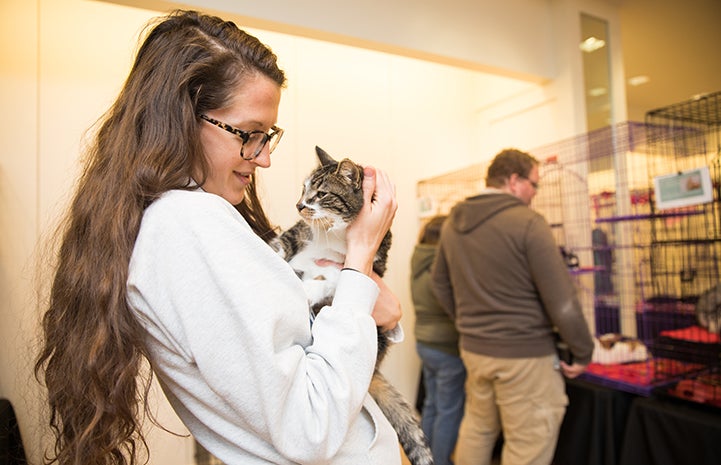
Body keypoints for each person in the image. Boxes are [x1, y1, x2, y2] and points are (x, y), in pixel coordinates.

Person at [34, 10, 401, 465]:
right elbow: (312, 425)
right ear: (183, 118)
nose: (263, 158)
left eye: (269, 137)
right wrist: (361, 256)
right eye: (250, 135)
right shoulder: (186, 226)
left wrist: (360, 294)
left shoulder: (193, 218)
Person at [430, 148, 594, 465]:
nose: (535, 194)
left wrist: (468, 322)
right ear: (515, 181)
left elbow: (439, 283)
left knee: (477, 429)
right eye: (534, 184)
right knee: (528, 444)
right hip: (525, 357)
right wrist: (583, 350)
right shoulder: (529, 223)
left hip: (475, 352)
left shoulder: (453, 222)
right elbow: (562, 300)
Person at [412, 215, 466, 465]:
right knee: (449, 411)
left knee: (432, 405)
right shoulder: (441, 264)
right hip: (446, 347)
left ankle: (426, 459)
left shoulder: (419, 259)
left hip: (424, 342)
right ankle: (441, 460)